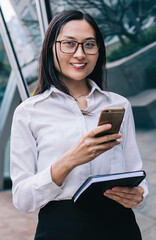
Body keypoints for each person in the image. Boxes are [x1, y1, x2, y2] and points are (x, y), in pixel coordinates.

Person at [10, 10, 148, 240]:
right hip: (61, 229)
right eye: (69, 44)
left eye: (89, 44)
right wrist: (72, 158)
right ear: (51, 48)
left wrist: (140, 194)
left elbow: (136, 171)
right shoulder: (28, 112)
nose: (80, 54)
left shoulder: (119, 104)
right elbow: (22, 198)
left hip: (119, 227)